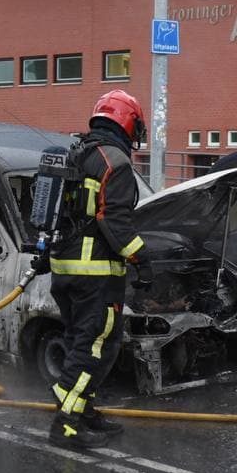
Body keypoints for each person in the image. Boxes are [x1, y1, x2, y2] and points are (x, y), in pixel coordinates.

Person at [46, 90, 153, 450]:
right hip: (96, 275)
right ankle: (67, 423)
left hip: (65, 269)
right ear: (128, 123)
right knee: (94, 348)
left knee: (81, 341)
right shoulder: (116, 162)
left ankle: (84, 409)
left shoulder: (76, 153)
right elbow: (115, 221)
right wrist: (142, 259)